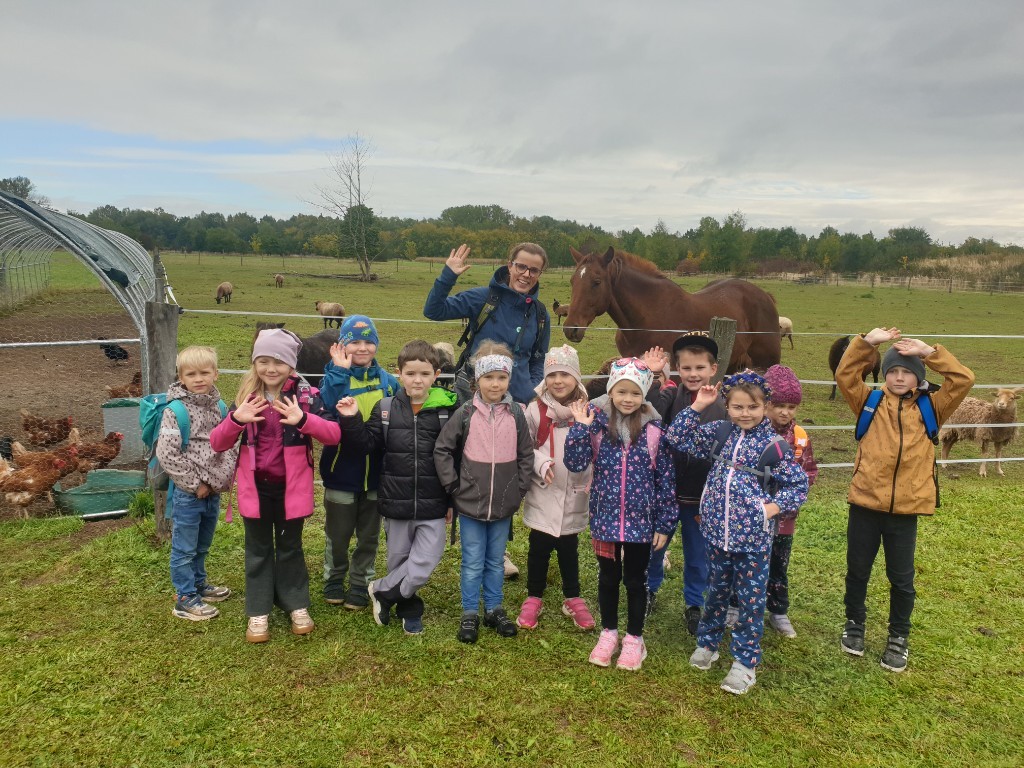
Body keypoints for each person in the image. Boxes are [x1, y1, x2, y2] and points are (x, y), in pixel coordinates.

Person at [836, 328, 973, 673]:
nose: (899, 377)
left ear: (918, 377)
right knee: (858, 571)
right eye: (893, 371)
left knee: (901, 578)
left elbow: (963, 379)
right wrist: (867, 343)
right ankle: (854, 624)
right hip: (865, 504)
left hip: (906, 510)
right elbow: (845, 374)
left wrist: (929, 352)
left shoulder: (933, 407)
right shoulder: (868, 401)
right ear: (884, 375)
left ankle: (898, 637)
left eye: (907, 372)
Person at [666, 371, 808, 695]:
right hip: (716, 534)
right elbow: (676, 437)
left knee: (750, 601)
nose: (745, 413)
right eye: (738, 407)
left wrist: (771, 508)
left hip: (753, 541)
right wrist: (698, 406)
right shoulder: (720, 432)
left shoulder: (774, 447)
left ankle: (745, 663)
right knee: (716, 591)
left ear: (765, 406)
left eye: (752, 407)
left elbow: (798, 486)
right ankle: (708, 643)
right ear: (727, 407)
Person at [423, 242, 551, 579]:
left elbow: (538, 358)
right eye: (521, 266)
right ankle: (470, 540)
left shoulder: (540, 314)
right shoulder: (484, 298)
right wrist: (448, 275)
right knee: (471, 464)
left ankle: (499, 549)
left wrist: (530, 391)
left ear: (541, 273)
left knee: (503, 470)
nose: (526, 274)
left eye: (534, 269)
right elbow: (433, 310)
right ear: (510, 264)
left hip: (515, 405)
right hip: (473, 396)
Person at [210, 328, 344, 643]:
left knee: (290, 546)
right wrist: (237, 420)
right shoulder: (247, 399)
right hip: (255, 489)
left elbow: (334, 435)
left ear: (291, 364)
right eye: (264, 361)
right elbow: (218, 442)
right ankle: (258, 610)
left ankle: (295, 603)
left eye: (279, 362)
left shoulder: (306, 397)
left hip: (291, 490)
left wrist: (303, 420)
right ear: (255, 363)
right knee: (257, 549)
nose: (271, 369)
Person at [335, 340, 459, 635]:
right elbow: (366, 445)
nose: (417, 380)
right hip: (396, 502)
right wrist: (351, 420)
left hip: (433, 502)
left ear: (436, 375)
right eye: (411, 373)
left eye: (425, 374)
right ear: (399, 373)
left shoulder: (448, 410)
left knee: (426, 558)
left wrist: (452, 499)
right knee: (400, 560)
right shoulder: (386, 408)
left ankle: (381, 589)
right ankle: (409, 609)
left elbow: (456, 457)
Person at [563, 358, 676, 672]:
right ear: (610, 391)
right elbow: (575, 463)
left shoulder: (655, 431)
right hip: (606, 520)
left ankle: (634, 639)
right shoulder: (596, 425)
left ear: (644, 395)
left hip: (642, 524)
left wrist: (664, 523)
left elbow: (666, 481)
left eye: (635, 393)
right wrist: (579, 428)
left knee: (636, 580)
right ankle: (609, 633)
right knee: (608, 578)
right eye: (622, 391)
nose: (628, 398)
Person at [434, 342, 533, 644]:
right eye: (489, 377)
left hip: (503, 504)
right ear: (477, 380)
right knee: (473, 560)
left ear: (509, 379)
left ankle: (493, 608)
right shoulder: (465, 413)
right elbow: (442, 449)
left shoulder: (516, 414)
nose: (495, 384)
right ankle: (469, 612)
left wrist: (519, 488)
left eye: (502, 377)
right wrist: (453, 486)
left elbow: (526, 454)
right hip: (470, 504)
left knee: (495, 560)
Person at [644, 331, 727, 635]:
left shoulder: (724, 404)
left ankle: (694, 603)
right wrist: (654, 375)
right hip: (666, 492)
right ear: (677, 369)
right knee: (655, 547)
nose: (693, 374)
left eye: (700, 368)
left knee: (697, 554)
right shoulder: (670, 397)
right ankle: (649, 589)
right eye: (687, 368)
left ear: (713, 368)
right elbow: (649, 408)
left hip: (701, 496)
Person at [317, 315, 399, 610]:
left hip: (377, 474)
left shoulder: (389, 383)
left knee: (368, 536)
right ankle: (334, 578)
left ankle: (361, 582)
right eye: (355, 342)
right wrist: (340, 371)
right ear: (342, 346)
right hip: (341, 471)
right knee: (337, 535)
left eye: (368, 342)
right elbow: (327, 403)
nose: (362, 348)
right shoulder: (333, 377)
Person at [516, 344, 595, 632]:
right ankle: (533, 596)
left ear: (576, 377)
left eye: (565, 374)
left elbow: (597, 447)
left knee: (568, 547)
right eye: (552, 375)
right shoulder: (535, 410)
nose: (558, 381)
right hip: (544, 489)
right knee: (539, 546)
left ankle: (572, 597)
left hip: (575, 490)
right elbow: (524, 446)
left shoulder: (588, 411)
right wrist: (540, 463)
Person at [159, 346, 239, 622]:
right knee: (184, 547)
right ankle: (185, 597)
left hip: (213, 490)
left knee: (203, 543)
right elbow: (167, 454)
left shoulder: (220, 407)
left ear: (216, 374)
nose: (198, 379)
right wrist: (196, 485)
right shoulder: (175, 411)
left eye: (204, 372)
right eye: (191, 374)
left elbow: (230, 444)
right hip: (189, 494)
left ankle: (199, 584)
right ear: (181, 377)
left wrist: (220, 480)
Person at [759, 364, 818, 638]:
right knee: (745, 562)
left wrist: (790, 497)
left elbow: (809, 472)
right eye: (779, 405)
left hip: (784, 519)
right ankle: (735, 605)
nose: (785, 412)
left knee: (778, 564)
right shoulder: (754, 433)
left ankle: (778, 611)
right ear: (766, 403)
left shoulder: (800, 438)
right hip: (753, 517)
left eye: (791, 407)